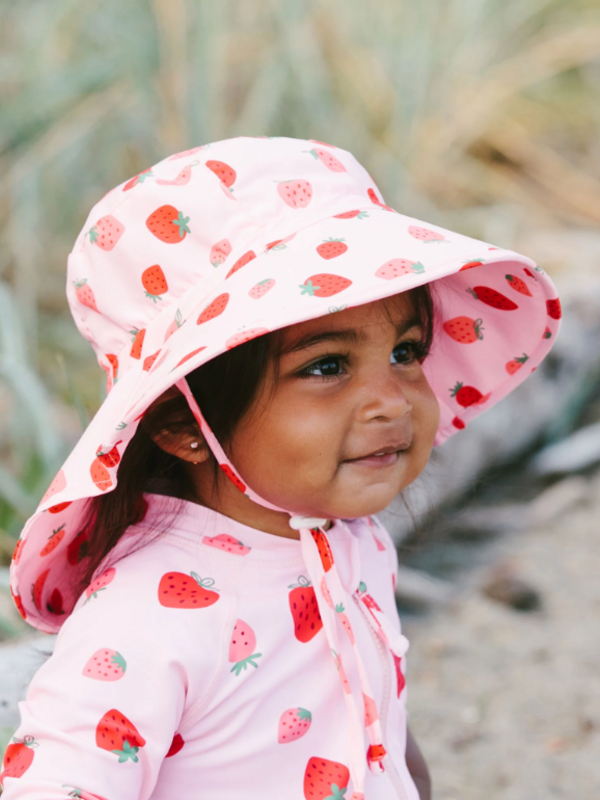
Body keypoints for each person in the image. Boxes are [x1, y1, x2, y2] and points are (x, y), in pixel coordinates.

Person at [2, 136, 561, 800]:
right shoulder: (149, 616)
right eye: (326, 366)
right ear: (183, 425)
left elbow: (370, 708)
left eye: (406, 351)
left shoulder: (348, 537)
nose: (393, 400)